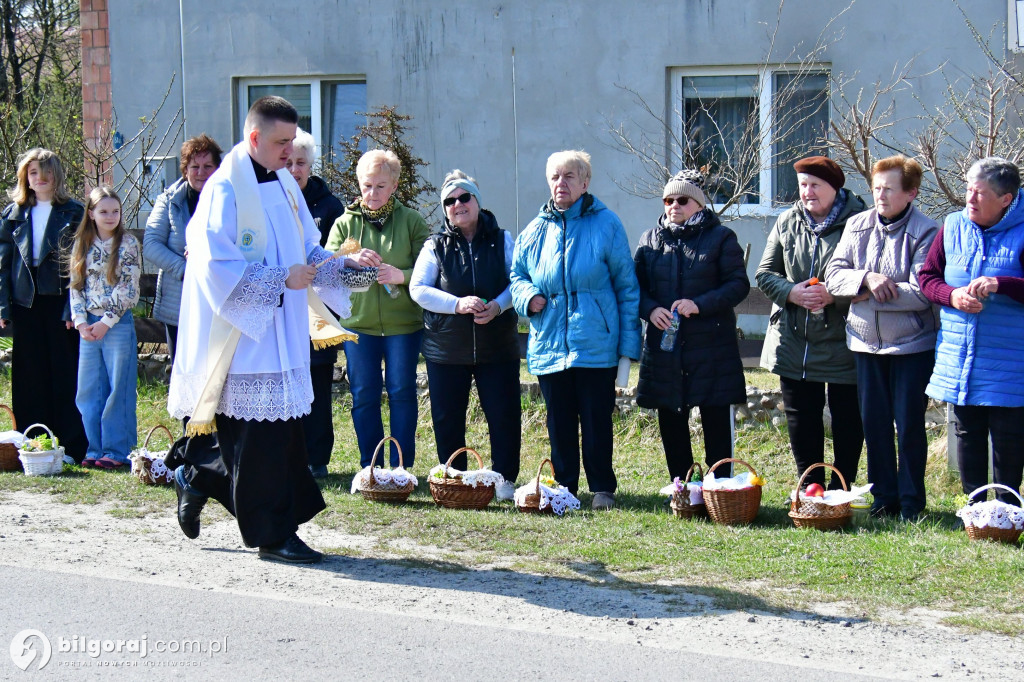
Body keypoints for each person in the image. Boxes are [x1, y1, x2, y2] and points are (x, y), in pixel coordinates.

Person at [167, 96, 358, 564]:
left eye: (294, 142)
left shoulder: (284, 184)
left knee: (275, 435)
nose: (290, 153)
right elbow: (216, 266)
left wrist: (345, 268)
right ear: (254, 138)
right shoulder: (225, 190)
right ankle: (272, 534)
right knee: (259, 440)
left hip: (281, 332)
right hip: (242, 338)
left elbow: (307, 248)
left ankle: (200, 475)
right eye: (281, 142)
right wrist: (279, 279)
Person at [510, 150, 641, 510]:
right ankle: (565, 486)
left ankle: (602, 488)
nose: (560, 183)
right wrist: (527, 297)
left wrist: (628, 346)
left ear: (585, 183)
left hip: (595, 340)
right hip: (549, 339)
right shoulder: (535, 229)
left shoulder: (606, 224)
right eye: (555, 176)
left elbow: (627, 288)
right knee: (559, 421)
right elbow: (517, 275)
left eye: (569, 176)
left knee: (597, 419)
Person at [824, 155, 939, 520]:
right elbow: (834, 277)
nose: (881, 195)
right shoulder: (857, 225)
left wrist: (863, 293)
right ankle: (883, 499)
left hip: (911, 345)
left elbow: (921, 292)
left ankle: (910, 502)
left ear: (911, 192)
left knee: (908, 425)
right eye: (876, 188)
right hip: (864, 343)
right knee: (873, 424)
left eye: (889, 189)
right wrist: (867, 281)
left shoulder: (927, 231)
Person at [756, 155, 867, 490]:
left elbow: (870, 277)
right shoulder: (787, 221)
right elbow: (765, 273)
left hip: (845, 338)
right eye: (803, 185)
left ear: (835, 188)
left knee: (848, 418)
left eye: (815, 185)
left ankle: (841, 489)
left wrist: (834, 295)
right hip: (794, 339)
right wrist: (792, 293)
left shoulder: (861, 222)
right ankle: (811, 487)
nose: (807, 192)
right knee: (801, 417)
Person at [410, 170, 521, 499]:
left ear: (477, 201)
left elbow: (519, 282)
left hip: (497, 346)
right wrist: (457, 305)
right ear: (444, 209)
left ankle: (504, 481)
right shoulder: (435, 245)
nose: (458, 204)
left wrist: (499, 306)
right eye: (450, 201)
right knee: (447, 418)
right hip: (446, 349)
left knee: (503, 416)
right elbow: (418, 289)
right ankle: (454, 479)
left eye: (464, 197)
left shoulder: (503, 239)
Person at [919, 156, 1024, 505]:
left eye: (979, 193)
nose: (970, 198)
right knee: (967, 431)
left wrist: (1002, 283)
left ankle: (1008, 511)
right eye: (967, 190)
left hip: (1010, 358)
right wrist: (953, 296)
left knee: (1008, 436)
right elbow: (928, 278)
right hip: (960, 355)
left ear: (1006, 199)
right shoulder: (952, 226)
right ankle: (975, 510)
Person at [634, 170, 749, 483]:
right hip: (666, 349)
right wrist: (650, 309)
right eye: (668, 200)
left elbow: (738, 285)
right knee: (670, 417)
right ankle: (683, 486)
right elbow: (635, 289)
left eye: (682, 200)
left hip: (711, 346)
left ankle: (721, 487)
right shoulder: (649, 240)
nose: (674, 206)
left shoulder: (721, 238)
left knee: (715, 418)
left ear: (697, 204)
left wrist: (700, 304)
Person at [325, 150, 429, 470]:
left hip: (403, 325)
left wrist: (402, 276)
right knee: (364, 395)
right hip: (358, 325)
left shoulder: (411, 221)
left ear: (395, 185)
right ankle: (370, 466)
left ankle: (401, 468)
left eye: (381, 186)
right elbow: (325, 269)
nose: (372, 193)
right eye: (367, 185)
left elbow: (432, 270)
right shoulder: (344, 224)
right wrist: (349, 259)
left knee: (401, 392)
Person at [0, 148, 87, 463]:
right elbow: (3, 265)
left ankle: (73, 447)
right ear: (26, 177)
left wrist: (71, 308)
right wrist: (3, 308)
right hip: (26, 303)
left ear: (57, 175)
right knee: (29, 376)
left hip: (61, 303)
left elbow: (81, 265)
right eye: (33, 172)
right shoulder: (13, 213)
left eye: (46, 171)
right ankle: (32, 445)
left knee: (65, 375)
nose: (40, 178)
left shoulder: (75, 211)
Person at [285, 128, 346, 479]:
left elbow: (334, 255)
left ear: (311, 165)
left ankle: (317, 458)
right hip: (283, 305)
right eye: (289, 162)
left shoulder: (330, 205)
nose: (295, 169)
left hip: (319, 308)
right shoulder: (271, 199)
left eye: (301, 163)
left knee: (317, 382)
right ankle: (288, 455)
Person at [69, 187, 142, 470]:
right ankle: (95, 447)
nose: (110, 216)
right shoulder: (82, 243)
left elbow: (129, 289)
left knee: (117, 387)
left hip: (116, 323)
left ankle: (117, 449)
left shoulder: (128, 244)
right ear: (91, 214)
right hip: (88, 325)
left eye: (115, 211)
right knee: (88, 389)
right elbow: (76, 286)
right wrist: (81, 322)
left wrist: (106, 322)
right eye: (103, 211)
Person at [144, 134, 223, 361]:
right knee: (183, 370)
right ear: (185, 169)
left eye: (208, 166)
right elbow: (151, 245)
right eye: (194, 166)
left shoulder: (229, 201)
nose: (201, 172)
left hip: (217, 301)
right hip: (179, 303)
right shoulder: (168, 200)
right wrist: (186, 269)